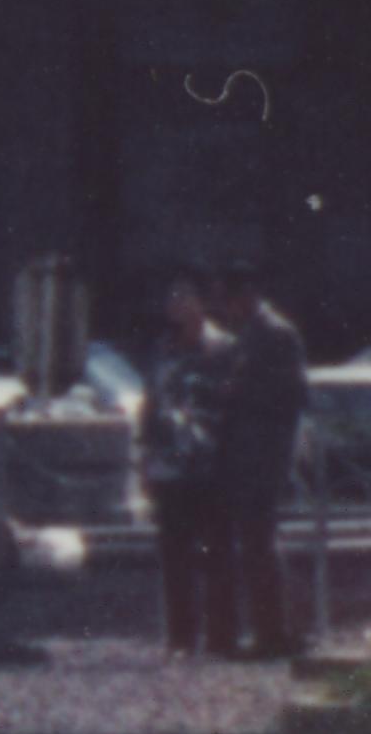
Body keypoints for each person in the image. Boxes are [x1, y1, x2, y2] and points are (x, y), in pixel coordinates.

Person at [207, 273, 322, 661]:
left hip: (266, 452)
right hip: (247, 452)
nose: (225, 310)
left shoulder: (276, 334)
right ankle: (271, 629)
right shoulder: (250, 334)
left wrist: (238, 392)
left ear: (248, 295)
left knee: (262, 542)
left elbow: (294, 394)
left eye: (229, 300)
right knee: (257, 542)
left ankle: (277, 632)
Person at [137, 278, 235, 653]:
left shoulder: (222, 348)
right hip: (169, 466)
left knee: (217, 553)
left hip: (211, 464)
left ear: (200, 303)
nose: (174, 305)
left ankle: (221, 635)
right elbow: (150, 405)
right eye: (170, 298)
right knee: (175, 556)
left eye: (182, 297)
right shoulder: (161, 350)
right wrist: (145, 457)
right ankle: (181, 636)